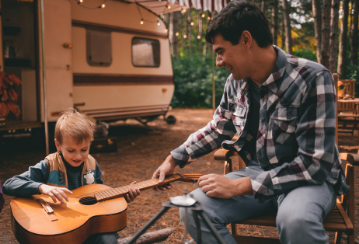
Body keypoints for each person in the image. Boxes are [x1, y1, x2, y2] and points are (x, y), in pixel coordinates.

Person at [152, 1, 348, 243]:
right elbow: (219, 127)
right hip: (259, 171)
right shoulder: (236, 82)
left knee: (297, 221)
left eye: (221, 51)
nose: (219, 61)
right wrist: (175, 158)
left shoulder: (313, 78)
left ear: (246, 39)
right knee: (193, 207)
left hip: (307, 180)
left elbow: (314, 164)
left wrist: (241, 186)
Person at [3, 109, 140, 244]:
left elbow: (100, 198)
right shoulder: (49, 165)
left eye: (84, 150)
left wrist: (123, 197)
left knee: (108, 240)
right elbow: (9, 184)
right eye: (71, 150)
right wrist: (42, 187)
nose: (78, 156)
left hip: (88, 227)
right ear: (58, 145)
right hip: (57, 228)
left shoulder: (92, 165)